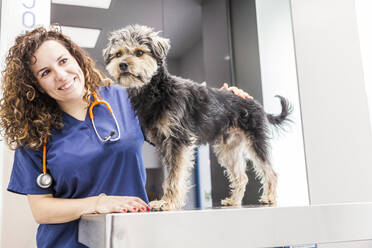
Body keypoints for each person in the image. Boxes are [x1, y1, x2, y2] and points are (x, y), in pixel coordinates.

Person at [0, 26, 252, 248]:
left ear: (76, 58)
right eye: (45, 72)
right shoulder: (33, 132)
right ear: (34, 86)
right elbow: (41, 210)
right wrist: (99, 203)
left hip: (132, 237)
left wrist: (223, 106)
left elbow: (177, 130)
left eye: (63, 61)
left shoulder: (127, 99)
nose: (61, 75)